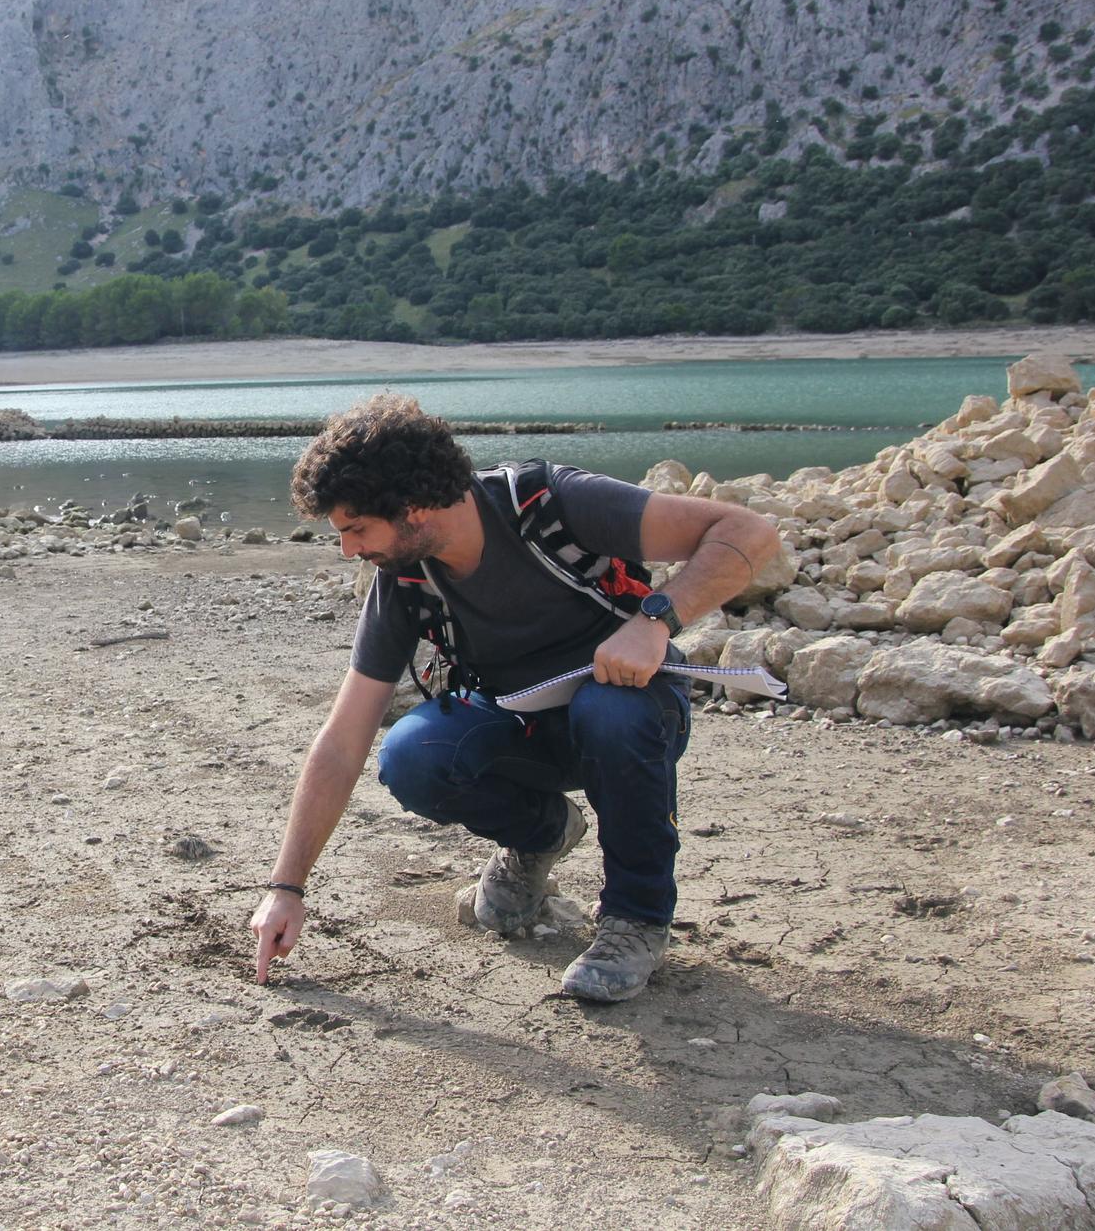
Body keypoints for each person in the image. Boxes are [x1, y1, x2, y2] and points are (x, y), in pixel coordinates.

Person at [248, 394, 781, 1002]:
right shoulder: (404, 579)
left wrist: (655, 622)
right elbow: (344, 740)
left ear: (412, 508)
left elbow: (749, 532)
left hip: (632, 713)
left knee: (608, 711)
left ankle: (636, 921)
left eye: (356, 530)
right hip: (520, 731)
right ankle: (542, 835)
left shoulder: (550, 504)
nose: (349, 550)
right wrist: (285, 887)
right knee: (412, 755)